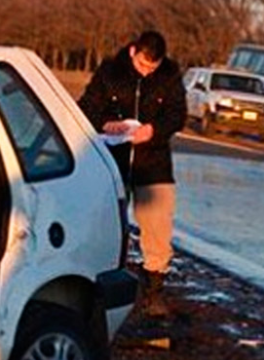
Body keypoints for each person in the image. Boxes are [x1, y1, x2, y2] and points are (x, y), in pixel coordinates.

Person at [78, 30, 186, 317]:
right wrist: (105, 123)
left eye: (153, 67)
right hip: (113, 162)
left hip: (154, 164)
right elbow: (86, 108)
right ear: (132, 52)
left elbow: (178, 114)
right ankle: (96, 285)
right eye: (142, 65)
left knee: (158, 229)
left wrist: (154, 130)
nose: (148, 71)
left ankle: (154, 291)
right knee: (106, 225)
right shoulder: (109, 71)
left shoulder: (171, 75)